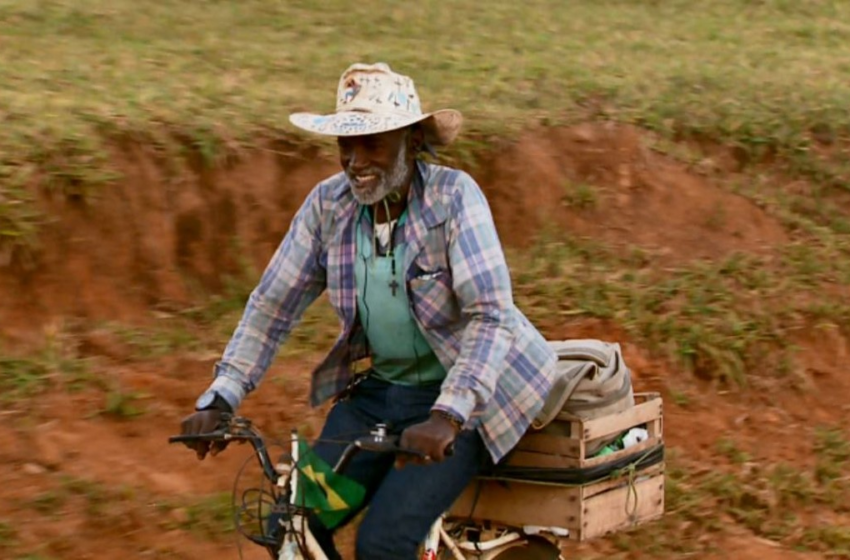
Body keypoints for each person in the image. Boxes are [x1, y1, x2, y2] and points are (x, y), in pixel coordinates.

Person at [179, 62, 558, 560]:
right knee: (292, 528)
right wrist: (222, 397)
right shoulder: (328, 208)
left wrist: (449, 414)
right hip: (381, 397)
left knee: (383, 543)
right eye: (346, 145)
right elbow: (272, 306)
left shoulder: (453, 199)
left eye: (374, 144)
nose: (356, 161)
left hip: (470, 399)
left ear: (412, 141)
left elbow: (491, 315)